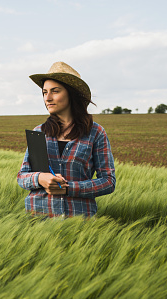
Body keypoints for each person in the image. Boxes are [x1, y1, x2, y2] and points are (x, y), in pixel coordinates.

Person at [17, 61, 115, 217]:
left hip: (79, 222)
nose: (47, 98)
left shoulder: (95, 133)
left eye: (55, 91)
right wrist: (40, 178)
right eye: (44, 92)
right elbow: (22, 176)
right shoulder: (38, 133)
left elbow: (108, 182)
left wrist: (69, 188)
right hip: (38, 222)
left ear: (71, 93)